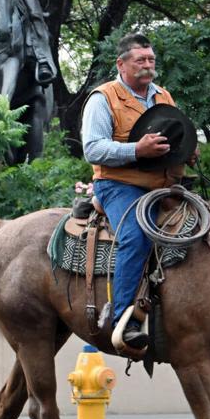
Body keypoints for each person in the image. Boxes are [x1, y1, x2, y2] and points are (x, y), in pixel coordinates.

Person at [81, 32, 197, 352]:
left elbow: (173, 139)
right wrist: (137, 150)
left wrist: (186, 152)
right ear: (122, 64)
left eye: (151, 60)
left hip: (164, 185)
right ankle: (126, 321)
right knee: (136, 234)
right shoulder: (103, 98)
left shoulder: (164, 96)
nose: (148, 66)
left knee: (207, 226)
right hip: (118, 185)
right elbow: (92, 149)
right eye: (140, 60)